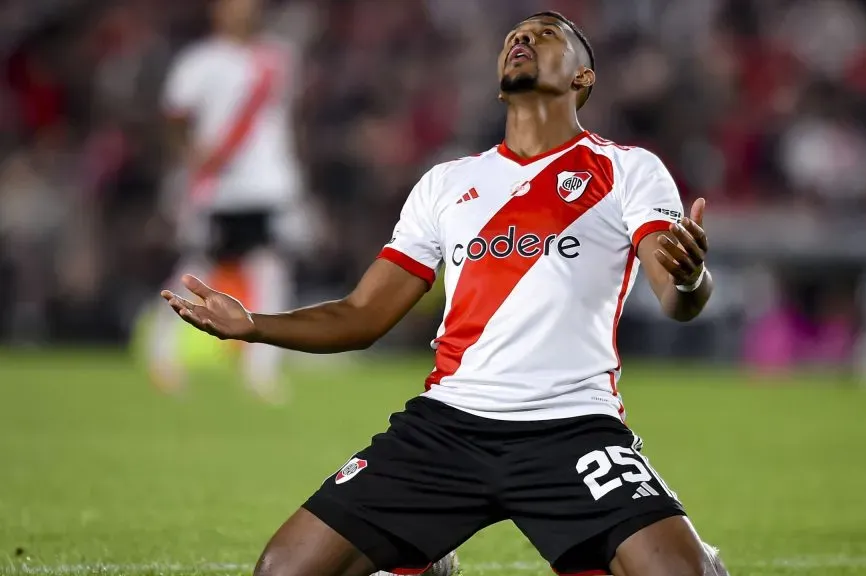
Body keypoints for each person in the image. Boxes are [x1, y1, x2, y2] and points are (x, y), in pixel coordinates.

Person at [161, 11, 727, 576]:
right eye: (514, 36)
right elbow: (362, 314)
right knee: (282, 571)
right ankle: (426, 562)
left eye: (546, 34)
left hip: (573, 426)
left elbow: (677, 297)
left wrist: (689, 278)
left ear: (583, 76)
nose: (522, 39)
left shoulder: (628, 170)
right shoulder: (446, 183)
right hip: (448, 426)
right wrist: (254, 324)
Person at [149, 0, 305, 402]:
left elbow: (285, 119)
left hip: (268, 185)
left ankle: (260, 366)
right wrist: (191, 159)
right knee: (201, 267)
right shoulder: (200, 61)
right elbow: (175, 117)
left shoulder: (278, 56)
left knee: (270, 269)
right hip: (221, 185)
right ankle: (162, 350)